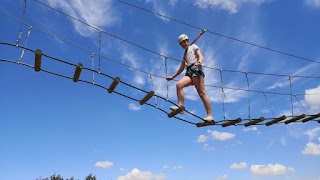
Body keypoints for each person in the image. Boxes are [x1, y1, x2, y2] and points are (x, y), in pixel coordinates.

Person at [166, 34, 214, 122]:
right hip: (188, 72)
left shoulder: (193, 46)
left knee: (202, 93)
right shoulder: (184, 55)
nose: (183, 44)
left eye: (184, 42)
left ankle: (210, 115)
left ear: (188, 41)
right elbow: (180, 69)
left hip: (196, 69)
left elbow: (200, 55)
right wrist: (172, 77)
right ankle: (180, 107)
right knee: (179, 84)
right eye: (181, 43)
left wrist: (199, 62)